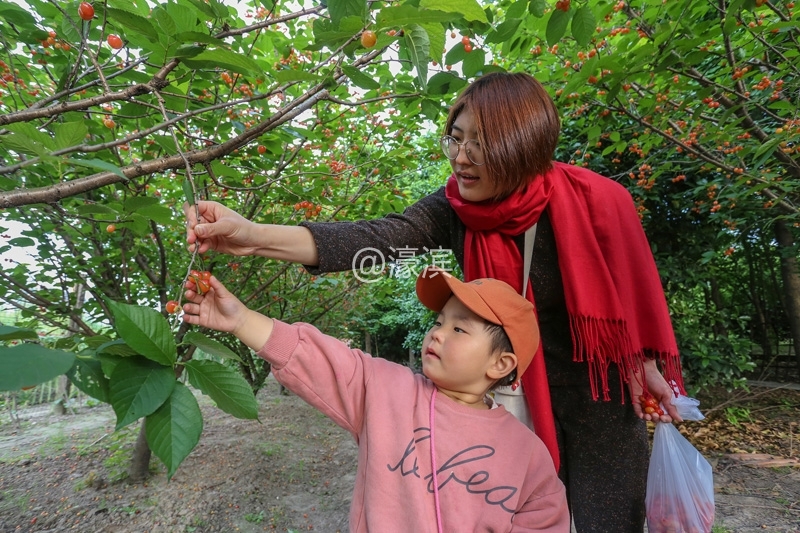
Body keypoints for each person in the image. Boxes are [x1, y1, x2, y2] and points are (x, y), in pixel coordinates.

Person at [184, 71, 686, 532]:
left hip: (598, 395)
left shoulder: (600, 200)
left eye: (481, 143)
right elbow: (378, 240)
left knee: (609, 520)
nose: (460, 157)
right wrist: (251, 236)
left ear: (525, 146)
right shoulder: (457, 208)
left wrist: (645, 368)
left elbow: (629, 300)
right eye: (456, 137)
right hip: (511, 388)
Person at [181, 266, 571, 532]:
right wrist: (241, 320)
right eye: (438, 322)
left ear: (500, 364)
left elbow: (544, 519)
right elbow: (320, 358)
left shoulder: (526, 456)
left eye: (459, 329)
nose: (437, 333)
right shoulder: (387, 391)